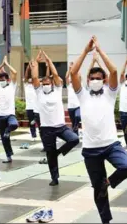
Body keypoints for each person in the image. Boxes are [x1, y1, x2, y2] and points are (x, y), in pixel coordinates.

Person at [70, 36, 127, 224]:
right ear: (88, 80)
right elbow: (74, 73)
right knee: (98, 190)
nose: (96, 81)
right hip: (90, 149)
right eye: (93, 78)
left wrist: (99, 49)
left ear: (104, 80)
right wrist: (86, 50)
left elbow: (114, 70)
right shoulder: (82, 95)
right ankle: (105, 220)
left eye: (99, 78)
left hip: (111, 145)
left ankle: (109, 182)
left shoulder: (110, 93)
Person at [30, 50, 79, 186]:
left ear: (52, 84)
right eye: (43, 83)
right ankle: (55, 177)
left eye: (47, 83)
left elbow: (56, 75)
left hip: (61, 127)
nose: (45, 85)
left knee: (74, 139)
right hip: (46, 129)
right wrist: (35, 64)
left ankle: (59, 152)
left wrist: (49, 60)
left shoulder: (57, 89)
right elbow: (34, 79)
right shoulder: (39, 92)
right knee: (50, 155)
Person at [0, 56, 19, 163]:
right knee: (5, 139)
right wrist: (1, 66)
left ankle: (8, 131)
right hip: (0, 116)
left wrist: (6, 64)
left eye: (3, 80)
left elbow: (15, 72)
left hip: (9, 115)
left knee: (14, 124)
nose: (1, 81)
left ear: (7, 80)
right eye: (0, 79)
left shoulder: (11, 86)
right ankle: (9, 156)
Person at [65, 62, 81, 135]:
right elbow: (66, 77)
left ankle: (75, 126)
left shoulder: (78, 85)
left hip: (77, 106)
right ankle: (76, 134)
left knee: (78, 116)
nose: (71, 80)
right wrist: (69, 68)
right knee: (73, 122)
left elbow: (79, 77)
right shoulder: (69, 86)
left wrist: (76, 67)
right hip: (70, 107)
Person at [24, 64, 37, 141]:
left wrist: (33, 69)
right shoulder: (26, 85)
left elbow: (34, 77)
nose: (29, 81)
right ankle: (33, 135)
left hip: (36, 107)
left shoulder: (35, 86)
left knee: (37, 121)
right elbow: (25, 77)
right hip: (29, 107)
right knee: (31, 123)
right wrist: (28, 67)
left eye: (31, 80)